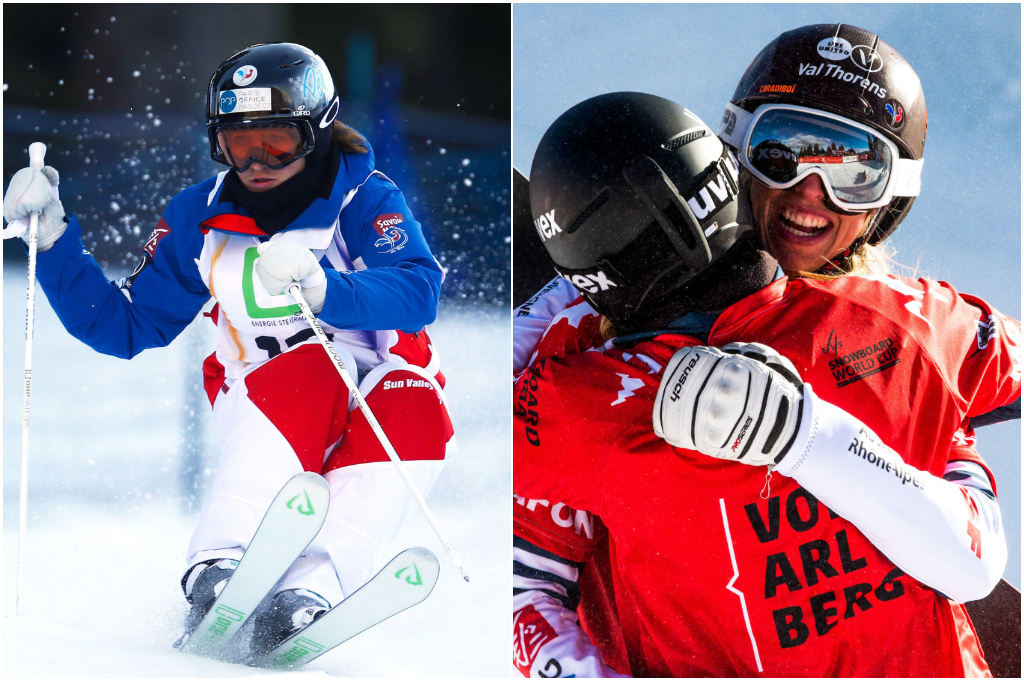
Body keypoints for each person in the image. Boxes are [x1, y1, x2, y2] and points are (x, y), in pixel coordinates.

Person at [512, 91, 1019, 677]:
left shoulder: (583, 394)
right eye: (784, 153)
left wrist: (542, 318)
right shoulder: (910, 320)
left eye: (852, 168)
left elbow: (477, 452)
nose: (811, 189)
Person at [2, 42, 454, 654]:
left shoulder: (364, 198)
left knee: (417, 403)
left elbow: (418, 287)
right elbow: (124, 326)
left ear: (316, 132)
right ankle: (218, 569)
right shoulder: (200, 217)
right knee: (316, 368)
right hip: (268, 393)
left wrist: (328, 288)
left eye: (278, 141)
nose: (258, 161)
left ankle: (311, 591)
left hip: (377, 392)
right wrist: (52, 240)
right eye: (239, 143)